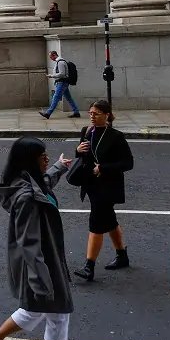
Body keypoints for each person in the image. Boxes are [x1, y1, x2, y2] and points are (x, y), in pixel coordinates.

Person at [0, 137, 73, 340]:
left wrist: (59, 166)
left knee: (36, 310)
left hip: (46, 262)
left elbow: (45, 183)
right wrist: (41, 281)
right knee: (58, 315)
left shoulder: (31, 182)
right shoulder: (26, 196)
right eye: (43, 157)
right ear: (30, 161)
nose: (47, 159)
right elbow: (28, 242)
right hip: (43, 265)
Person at [68, 99, 134, 282]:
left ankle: (89, 266)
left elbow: (128, 163)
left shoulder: (116, 137)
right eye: (90, 113)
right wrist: (78, 150)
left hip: (108, 187)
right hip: (91, 185)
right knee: (110, 220)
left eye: (96, 114)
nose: (92, 117)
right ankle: (122, 256)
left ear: (107, 115)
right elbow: (83, 158)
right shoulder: (86, 132)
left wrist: (104, 168)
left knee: (96, 223)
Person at [39, 51, 80, 119]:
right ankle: (76, 112)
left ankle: (48, 113)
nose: (50, 58)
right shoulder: (59, 62)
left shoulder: (60, 62)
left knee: (56, 97)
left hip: (62, 82)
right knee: (68, 98)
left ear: (54, 55)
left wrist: (51, 76)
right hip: (62, 82)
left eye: (51, 57)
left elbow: (62, 74)